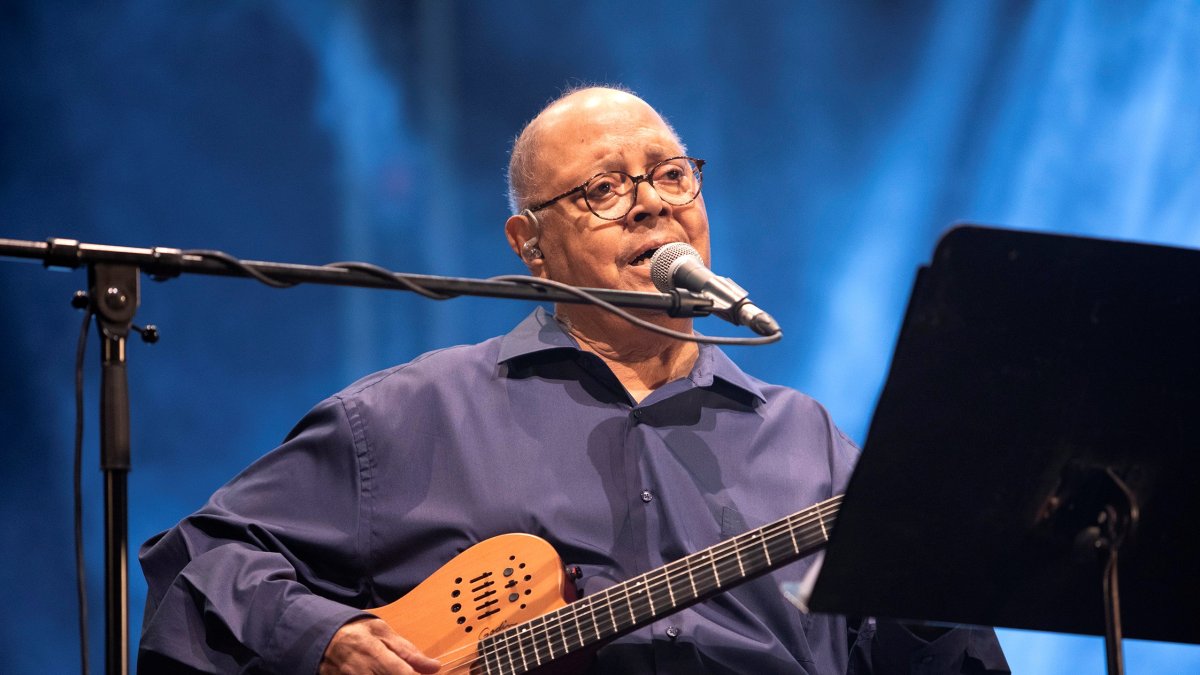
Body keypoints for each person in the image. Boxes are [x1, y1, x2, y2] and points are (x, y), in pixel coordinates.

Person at [138, 86, 1009, 674]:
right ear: (527, 244)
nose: (653, 202)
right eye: (603, 188)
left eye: (672, 174)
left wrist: (936, 592)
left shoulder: (811, 443)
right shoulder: (408, 418)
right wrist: (328, 638)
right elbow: (201, 566)